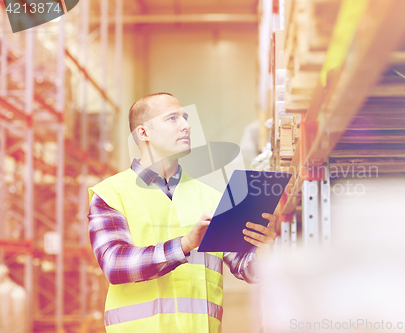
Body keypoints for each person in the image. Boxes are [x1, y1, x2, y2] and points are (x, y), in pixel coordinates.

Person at [87, 93, 277, 333]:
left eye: (185, 117)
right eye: (172, 118)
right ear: (143, 133)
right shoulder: (112, 193)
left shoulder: (211, 198)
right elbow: (115, 264)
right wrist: (186, 244)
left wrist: (266, 248)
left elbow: (245, 268)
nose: (186, 125)